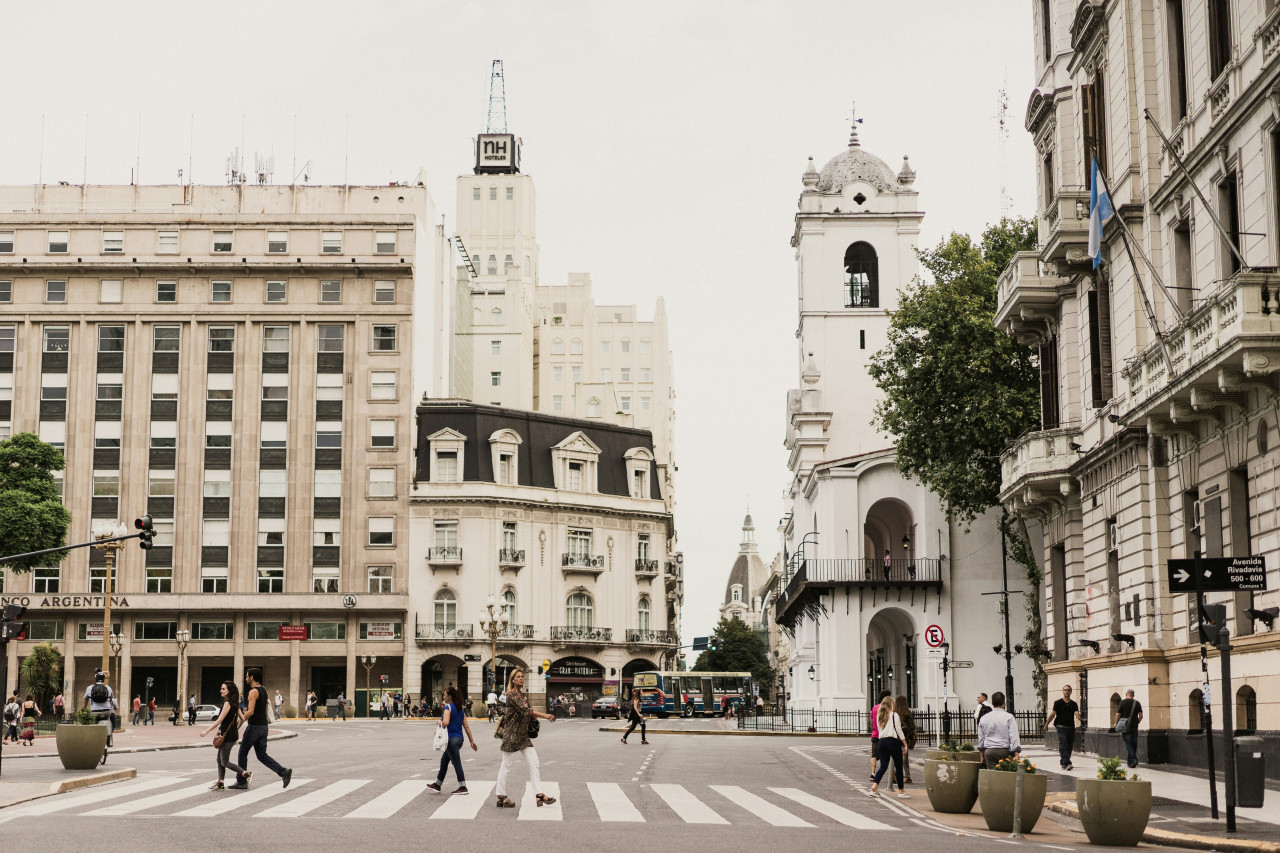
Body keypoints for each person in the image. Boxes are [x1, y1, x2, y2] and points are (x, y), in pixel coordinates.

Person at [494, 670, 557, 809]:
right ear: (513, 680)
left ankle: (539, 794)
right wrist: (544, 715)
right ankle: (501, 795)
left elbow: (527, 712)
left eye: (522, 676)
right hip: (511, 735)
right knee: (506, 765)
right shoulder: (511, 695)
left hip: (523, 736)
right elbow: (525, 711)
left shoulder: (522, 695)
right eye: (518, 677)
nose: (521, 679)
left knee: (534, 763)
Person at [231, 667, 293, 790]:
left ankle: (242, 780)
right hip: (264, 727)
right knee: (261, 755)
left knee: (242, 752)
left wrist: (240, 719)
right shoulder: (264, 690)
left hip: (254, 727)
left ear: (252, 677)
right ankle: (283, 772)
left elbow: (251, 711)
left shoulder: (253, 692)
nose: (246, 678)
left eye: (247, 676)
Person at [427, 685, 477, 795]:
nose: (443, 696)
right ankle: (437, 784)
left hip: (451, 740)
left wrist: (440, 723)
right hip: (459, 740)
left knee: (456, 763)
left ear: (449, 696)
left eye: (445, 695)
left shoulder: (448, 708)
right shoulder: (460, 710)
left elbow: (446, 723)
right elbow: (466, 727)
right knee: (444, 761)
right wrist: (472, 741)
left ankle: (463, 786)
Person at [200, 680, 247, 790]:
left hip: (228, 736)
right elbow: (243, 719)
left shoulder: (228, 703)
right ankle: (220, 783)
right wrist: (235, 729)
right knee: (219, 760)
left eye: (223, 689)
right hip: (230, 734)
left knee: (224, 761)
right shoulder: (235, 703)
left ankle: (245, 774)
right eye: (221, 688)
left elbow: (219, 720)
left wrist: (206, 731)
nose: (220, 690)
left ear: (229, 691)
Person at [870, 696, 909, 799]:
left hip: (881, 742)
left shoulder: (879, 716)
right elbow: (898, 729)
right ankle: (901, 791)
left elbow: (879, 730)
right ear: (892, 704)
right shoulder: (894, 715)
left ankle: (874, 786)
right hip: (892, 742)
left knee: (883, 766)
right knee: (899, 766)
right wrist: (905, 743)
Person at [977, 691, 1021, 768]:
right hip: (1005, 750)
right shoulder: (1009, 717)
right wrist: (1016, 754)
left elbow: (981, 739)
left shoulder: (983, 718)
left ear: (992, 703)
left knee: (993, 776)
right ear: (1004, 702)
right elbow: (1014, 736)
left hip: (989, 751)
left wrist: (982, 756)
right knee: (1006, 776)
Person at [1044, 684, 1081, 771]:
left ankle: (1063, 762)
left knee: (1069, 746)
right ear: (1063, 691)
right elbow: (1052, 714)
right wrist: (1046, 724)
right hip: (1060, 726)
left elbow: (1076, 713)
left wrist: (1078, 716)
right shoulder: (1058, 703)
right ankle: (1068, 763)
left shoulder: (1073, 704)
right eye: (1065, 690)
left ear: (1071, 692)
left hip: (1070, 727)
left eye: (1068, 690)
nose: (1066, 691)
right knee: (1063, 744)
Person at [83, 670, 117, 748]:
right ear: (104, 679)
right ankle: (109, 741)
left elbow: (85, 701)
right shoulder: (108, 688)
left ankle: (93, 740)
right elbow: (112, 700)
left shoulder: (89, 688)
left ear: (95, 679)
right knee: (109, 722)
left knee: (93, 725)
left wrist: (84, 710)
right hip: (106, 711)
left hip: (94, 712)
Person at [1113, 689, 1144, 769]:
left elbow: (1117, 714)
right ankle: (1130, 762)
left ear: (1126, 694)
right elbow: (1141, 716)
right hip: (1134, 726)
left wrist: (1116, 723)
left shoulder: (1123, 702)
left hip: (1125, 726)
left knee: (1128, 744)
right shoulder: (1137, 703)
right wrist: (1137, 722)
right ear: (1133, 695)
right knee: (1134, 744)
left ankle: (1134, 759)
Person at [868, 689, 891, 781]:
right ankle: (892, 775)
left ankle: (873, 773)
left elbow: (871, 721)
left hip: (875, 734)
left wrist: (874, 729)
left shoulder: (874, 708)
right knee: (888, 756)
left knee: (874, 755)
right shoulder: (888, 708)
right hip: (885, 735)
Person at [895, 695, 917, 784]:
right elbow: (912, 726)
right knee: (905, 757)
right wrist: (915, 736)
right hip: (905, 737)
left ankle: (895, 775)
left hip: (895, 737)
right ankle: (907, 776)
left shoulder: (894, 712)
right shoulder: (907, 713)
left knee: (895, 757)